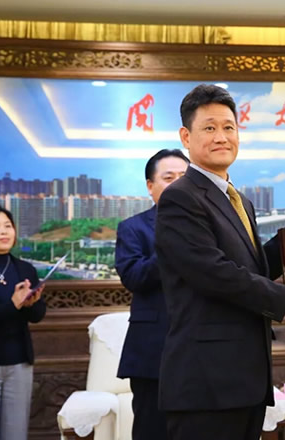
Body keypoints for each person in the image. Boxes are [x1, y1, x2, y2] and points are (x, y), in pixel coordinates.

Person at [155, 84, 285, 440]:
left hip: (244, 379)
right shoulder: (180, 197)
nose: (221, 137)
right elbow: (213, 273)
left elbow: (250, 266)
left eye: (229, 127)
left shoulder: (238, 199)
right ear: (186, 136)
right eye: (209, 128)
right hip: (206, 383)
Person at [115, 149, 189, 440]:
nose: (178, 184)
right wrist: (172, 247)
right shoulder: (133, 228)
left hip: (203, 353)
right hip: (153, 353)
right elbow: (133, 277)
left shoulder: (211, 226)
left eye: (184, 177)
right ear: (150, 186)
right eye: (169, 178)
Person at [0, 205, 47, 440]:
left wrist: (31, 304)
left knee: (16, 435)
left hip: (19, 364)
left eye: (8, 226)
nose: (4, 232)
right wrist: (13, 305)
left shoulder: (24, 269)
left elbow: (37, 316)